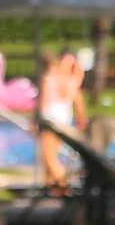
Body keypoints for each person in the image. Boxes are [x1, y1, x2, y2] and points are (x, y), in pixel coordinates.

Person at [37, 48, 88, 193]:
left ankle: (64, 188)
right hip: (63, 120)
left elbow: (44, 101)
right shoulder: (71, 81)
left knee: (49, 158)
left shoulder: (50, 78)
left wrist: (36, 120)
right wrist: (82, 119)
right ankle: (50, 188)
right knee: (50, 156)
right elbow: (79, 102)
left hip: (50, 119)